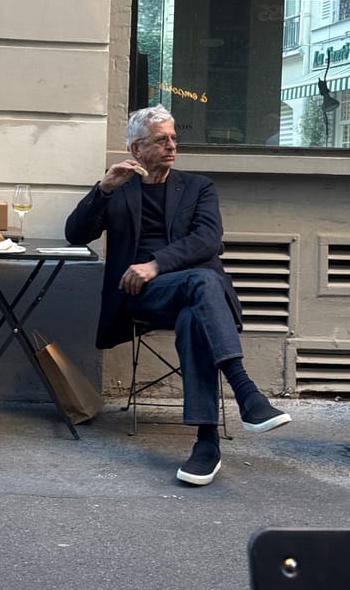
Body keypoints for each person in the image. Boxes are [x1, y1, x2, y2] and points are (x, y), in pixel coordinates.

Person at [65, 104, 291, 486]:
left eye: (174, 139)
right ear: (137, 149)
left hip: (192, 294)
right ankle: (246, 394)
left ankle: (207, 443)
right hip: (142, 297)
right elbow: (75, 234)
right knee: (202, 284)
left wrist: (154, 264)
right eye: (161, 140)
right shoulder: (120, 190)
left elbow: (207, 239)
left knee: (196, 303)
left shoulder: (199, 187)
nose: (172, 146)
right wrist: (103, 189)